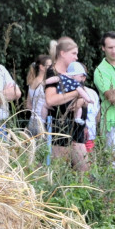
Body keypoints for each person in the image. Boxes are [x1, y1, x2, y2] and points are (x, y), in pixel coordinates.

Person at [44, 37, 89, 171]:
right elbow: (50, 100)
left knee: (84, 172)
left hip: (77, 128)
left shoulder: (74, 71)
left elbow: (85, 97)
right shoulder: (53, 73)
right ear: (62, 53)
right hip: (60, 127)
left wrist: (80, 101)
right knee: (60, 171)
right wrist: (76, 94)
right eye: (74, 54)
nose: (76, 57)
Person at [25, 54, 51, 137]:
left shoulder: (32, 82)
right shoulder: (45, 84)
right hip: (42, 123)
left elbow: (28, 105)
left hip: (32, 121)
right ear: (42, 67)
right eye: (49, 66)